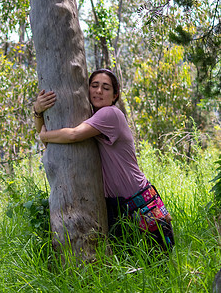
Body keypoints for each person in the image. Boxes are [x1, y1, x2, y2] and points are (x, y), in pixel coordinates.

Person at [33, 69, 174, 251]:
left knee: (157, 267)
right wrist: (38, 111)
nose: (99, 91)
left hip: (139, 203)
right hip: (115, 206)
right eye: (94, 86)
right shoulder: (88, 117)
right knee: (127, 268)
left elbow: (73, 135)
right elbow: (55, 139)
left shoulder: (110, 114)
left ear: (115, 95)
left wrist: (43, 136)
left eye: (106, 88)